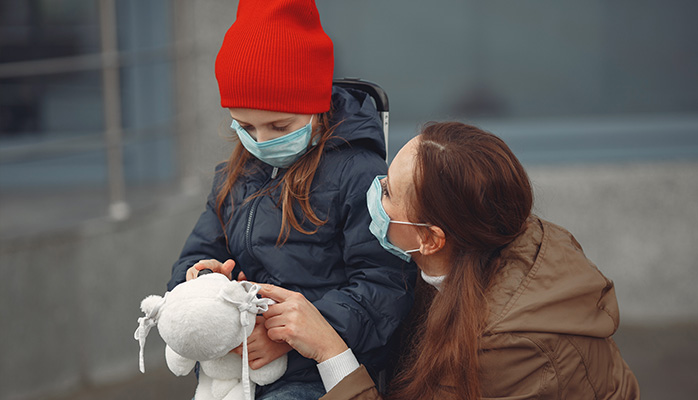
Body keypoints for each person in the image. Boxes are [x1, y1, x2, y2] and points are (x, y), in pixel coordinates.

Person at [259, 122, 641, 399]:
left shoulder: (508, 346)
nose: (373, 194)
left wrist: (331, 350)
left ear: (430, 238)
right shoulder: (479, 241)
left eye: (388, 191)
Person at [167, 1, 416, 399]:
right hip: (236, 367)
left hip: (317, 370)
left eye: (279, 126)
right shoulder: (235, 174)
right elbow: (191, 259)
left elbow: (385, 287)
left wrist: (288, 337)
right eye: (245, 126)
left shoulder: (360, 175)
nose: (262, 142)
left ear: (316, 108)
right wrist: (203, 278)